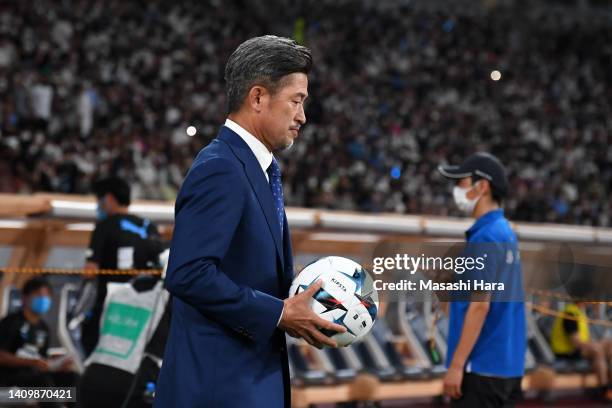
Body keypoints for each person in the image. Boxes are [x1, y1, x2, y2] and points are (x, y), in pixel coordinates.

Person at [155, 35, 346, 408]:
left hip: (244, 384)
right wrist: (278, 312)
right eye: (296, 100)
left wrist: (300, 297)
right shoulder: (221, 168)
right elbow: (188, 273)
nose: (302, 116)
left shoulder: (258, 170)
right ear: (258, 97)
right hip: (217, 389)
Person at [438, 152, 526, 407]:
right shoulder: (505, 232)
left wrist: (456, 365)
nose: (456, 189)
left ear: (482, 186)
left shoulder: (485, 237)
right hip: (506, 366)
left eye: (461, 182)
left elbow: (480, 306)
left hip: (481, 369)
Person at [81, 177, 164, 356]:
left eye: (99, 201)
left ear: (108, 198)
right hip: (144, 306)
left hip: (111, 306)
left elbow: (90, 271)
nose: (99, 206)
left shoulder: (104, 226)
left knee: (98, 350)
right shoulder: (149, 226)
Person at [0, 277, 79, 407]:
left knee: (71, 378)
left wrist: (57, 365)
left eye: (47, 296)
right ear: (25, 298)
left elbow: (42, 359)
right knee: (42, 383)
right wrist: (33, 362)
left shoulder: (44, 328)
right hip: (10, 386)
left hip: (35, 381)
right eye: (38, 295)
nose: (44, 299)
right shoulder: (11, 323)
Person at [551, 302, 612, 401]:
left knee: (609, 345)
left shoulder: (579, 313)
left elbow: (584, 339)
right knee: (597, 351)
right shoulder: (570, 314)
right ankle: (604, 390)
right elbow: (576, 342)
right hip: (567, 352)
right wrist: (595, 345)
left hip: (578, 349)